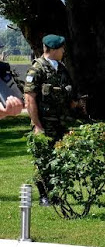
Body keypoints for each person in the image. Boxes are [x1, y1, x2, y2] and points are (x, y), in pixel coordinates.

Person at [24, 34, 84, 206]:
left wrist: (77, 103)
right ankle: (44, 196)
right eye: (62, 48)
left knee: (60, 159)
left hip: (61, 123)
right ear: (53, 50)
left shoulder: (61, 69)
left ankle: (56, 194)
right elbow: (29, 98)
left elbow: (69, 95)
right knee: (43, 160)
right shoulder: (37, 69)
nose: (64, 51)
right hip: (45, 124)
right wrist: (37, 125)